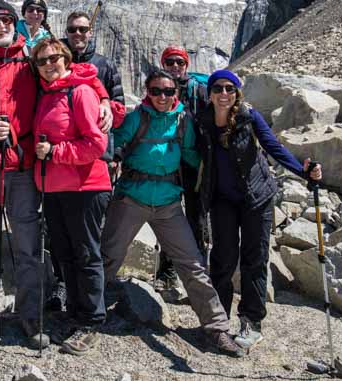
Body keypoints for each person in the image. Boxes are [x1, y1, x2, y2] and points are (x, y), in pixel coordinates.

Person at [0, 0, 115, 349]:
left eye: (7, 19)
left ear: (15, 23)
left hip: (22, 168)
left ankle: (30, 316)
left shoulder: (30, 59)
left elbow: (75, 73)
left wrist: (101, 97)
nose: (2, 25)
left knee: (28, 245)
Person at [100, 69, 242, 357]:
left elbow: (192, 155)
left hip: (167, 204)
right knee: (108, 255)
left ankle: (216, 328)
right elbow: (115, 142)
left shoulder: (183, 121)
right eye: (156, 91)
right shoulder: (137, 117)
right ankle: (88, 314)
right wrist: (109, 158)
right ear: (147, 91)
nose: (162, 97)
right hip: (132, 198)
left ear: (175, 93)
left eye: (167, 91)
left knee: (192, 264)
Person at [197, 69, 323, 351]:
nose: (224, 94)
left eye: (229, 88)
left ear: (237, 92)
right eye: (217, 88)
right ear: (210, 92)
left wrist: (303, 172)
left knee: (255, 258)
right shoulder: (202, 120)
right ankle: (217, 321)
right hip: (223, 200)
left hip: (257, 197)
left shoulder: (248, 116)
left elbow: (273, 146)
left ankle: (252, 321)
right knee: (223, 258)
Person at [31, 37, 111, 355]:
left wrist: (54, 152)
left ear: (66, 59)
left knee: (86, 255)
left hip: (85, 187)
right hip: (55, 189)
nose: (49, 64)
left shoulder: (80, 93)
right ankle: (76, 316)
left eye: (54, 58)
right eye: (42, 61)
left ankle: (91, 321)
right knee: (66, 255)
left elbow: (96, 144)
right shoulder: (47, 95)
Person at [46, 10, 126, 311]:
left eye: (83, 29)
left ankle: (91, 308)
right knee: (61, 237)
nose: (78, 34)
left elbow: (118, 110)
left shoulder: (103, 65)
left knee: (86, 239)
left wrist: (105, 102)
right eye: (72, 30)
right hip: (58, 172)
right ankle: (67, 292)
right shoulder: (56, 64)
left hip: (93, 163)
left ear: (90, 32)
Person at [155, 45, 208, 294]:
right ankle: (167, 272)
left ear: (186, 64)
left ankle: (198, 272)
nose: (175, 67)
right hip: (169, 162)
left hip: (194, 163)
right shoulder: (161, 90)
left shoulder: (199, 90)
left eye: (179, 62)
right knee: (168, 215)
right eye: (170, 62)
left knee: (197, 218)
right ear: (164, 65)